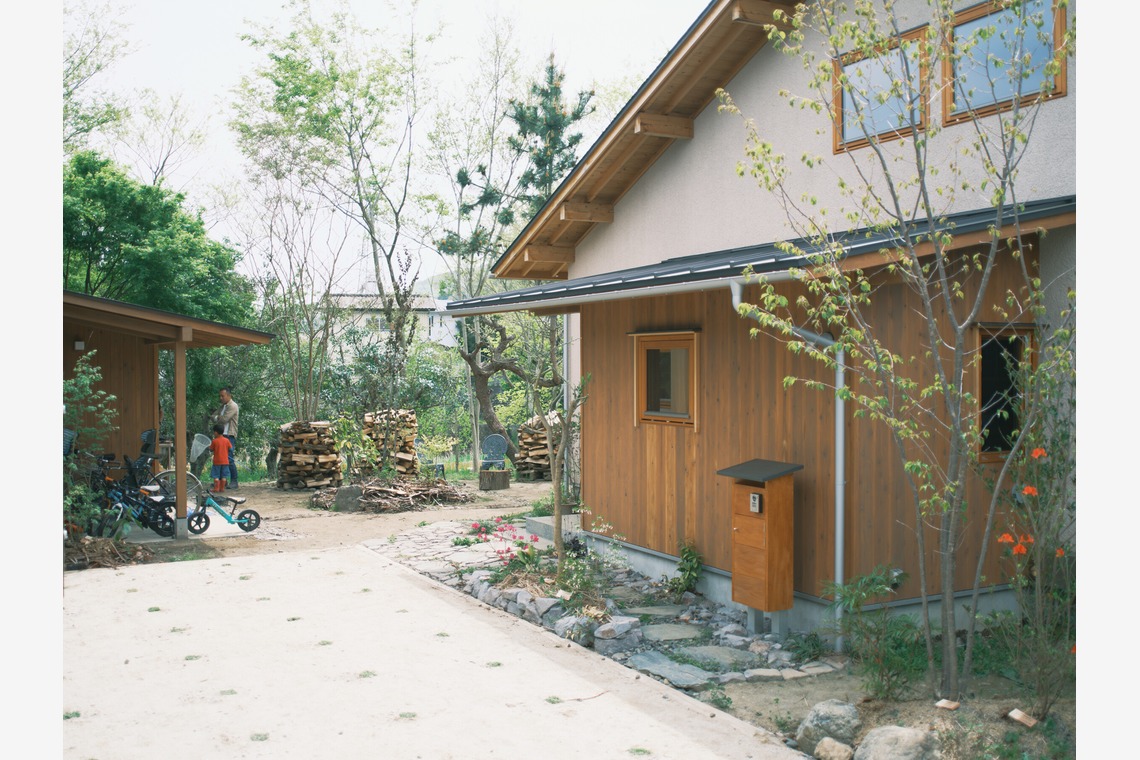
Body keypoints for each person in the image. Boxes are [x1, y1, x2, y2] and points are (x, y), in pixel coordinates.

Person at [211, 387, 240, 489]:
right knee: (220, 458)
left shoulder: (233, 406)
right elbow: (213, 416)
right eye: (220, 396)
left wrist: (217, 418)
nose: (221, 398)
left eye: (222, 396)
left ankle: (234, 481)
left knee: (229, 458)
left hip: (229, 435)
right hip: (222, 435)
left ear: (228, 395)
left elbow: (223, 420)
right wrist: (217, 417)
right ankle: (222, 481)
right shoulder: (222, 406)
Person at [209, 424, 234, 492]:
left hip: (217, 462)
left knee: (216, 475)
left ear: (216, 432)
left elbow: (211, 449)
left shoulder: (214, 441)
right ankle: (222, 488)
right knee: (224, 476)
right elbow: (231, 449)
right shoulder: (227, 440)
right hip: (225, 461)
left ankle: (216, 488)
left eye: (214, 432)